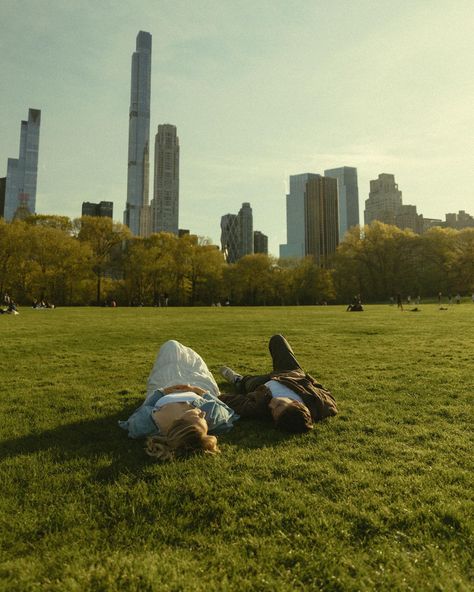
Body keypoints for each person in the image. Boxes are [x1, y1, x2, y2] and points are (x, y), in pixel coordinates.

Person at [119, 340, 239, 461]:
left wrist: (162, 392)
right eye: (205, 422)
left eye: (199, 418)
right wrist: (197, 390)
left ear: (183, 422)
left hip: (165, 384)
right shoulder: (212, 416)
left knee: (171, 347)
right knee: (190, 358)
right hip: (197, 384)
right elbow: (228, 411)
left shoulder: (147, 424)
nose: (203, 414)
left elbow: (138, 413)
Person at [219, 334, 337, 434]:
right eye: (279, 405)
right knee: (277, 339)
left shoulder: (261, 407)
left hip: (261, 384)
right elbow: (328, 395)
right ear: (296, 403)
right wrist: (308, 378)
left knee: (245, 383)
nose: (272, 404)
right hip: (290, 372)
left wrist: (213, 396)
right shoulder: (320, 404)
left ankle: (238, 379)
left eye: (273, 410)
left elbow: (235, 401)